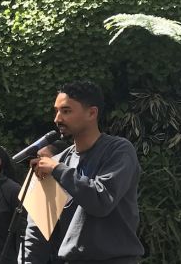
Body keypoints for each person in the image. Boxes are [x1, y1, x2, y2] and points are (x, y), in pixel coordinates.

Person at [27, 80, 144, 263]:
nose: (57, 119)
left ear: (91, 113)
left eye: (66, 111)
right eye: (56, 111)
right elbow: (37, 230)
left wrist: (57, 169)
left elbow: (101, 201)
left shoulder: (119, 150)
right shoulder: (57, 162)